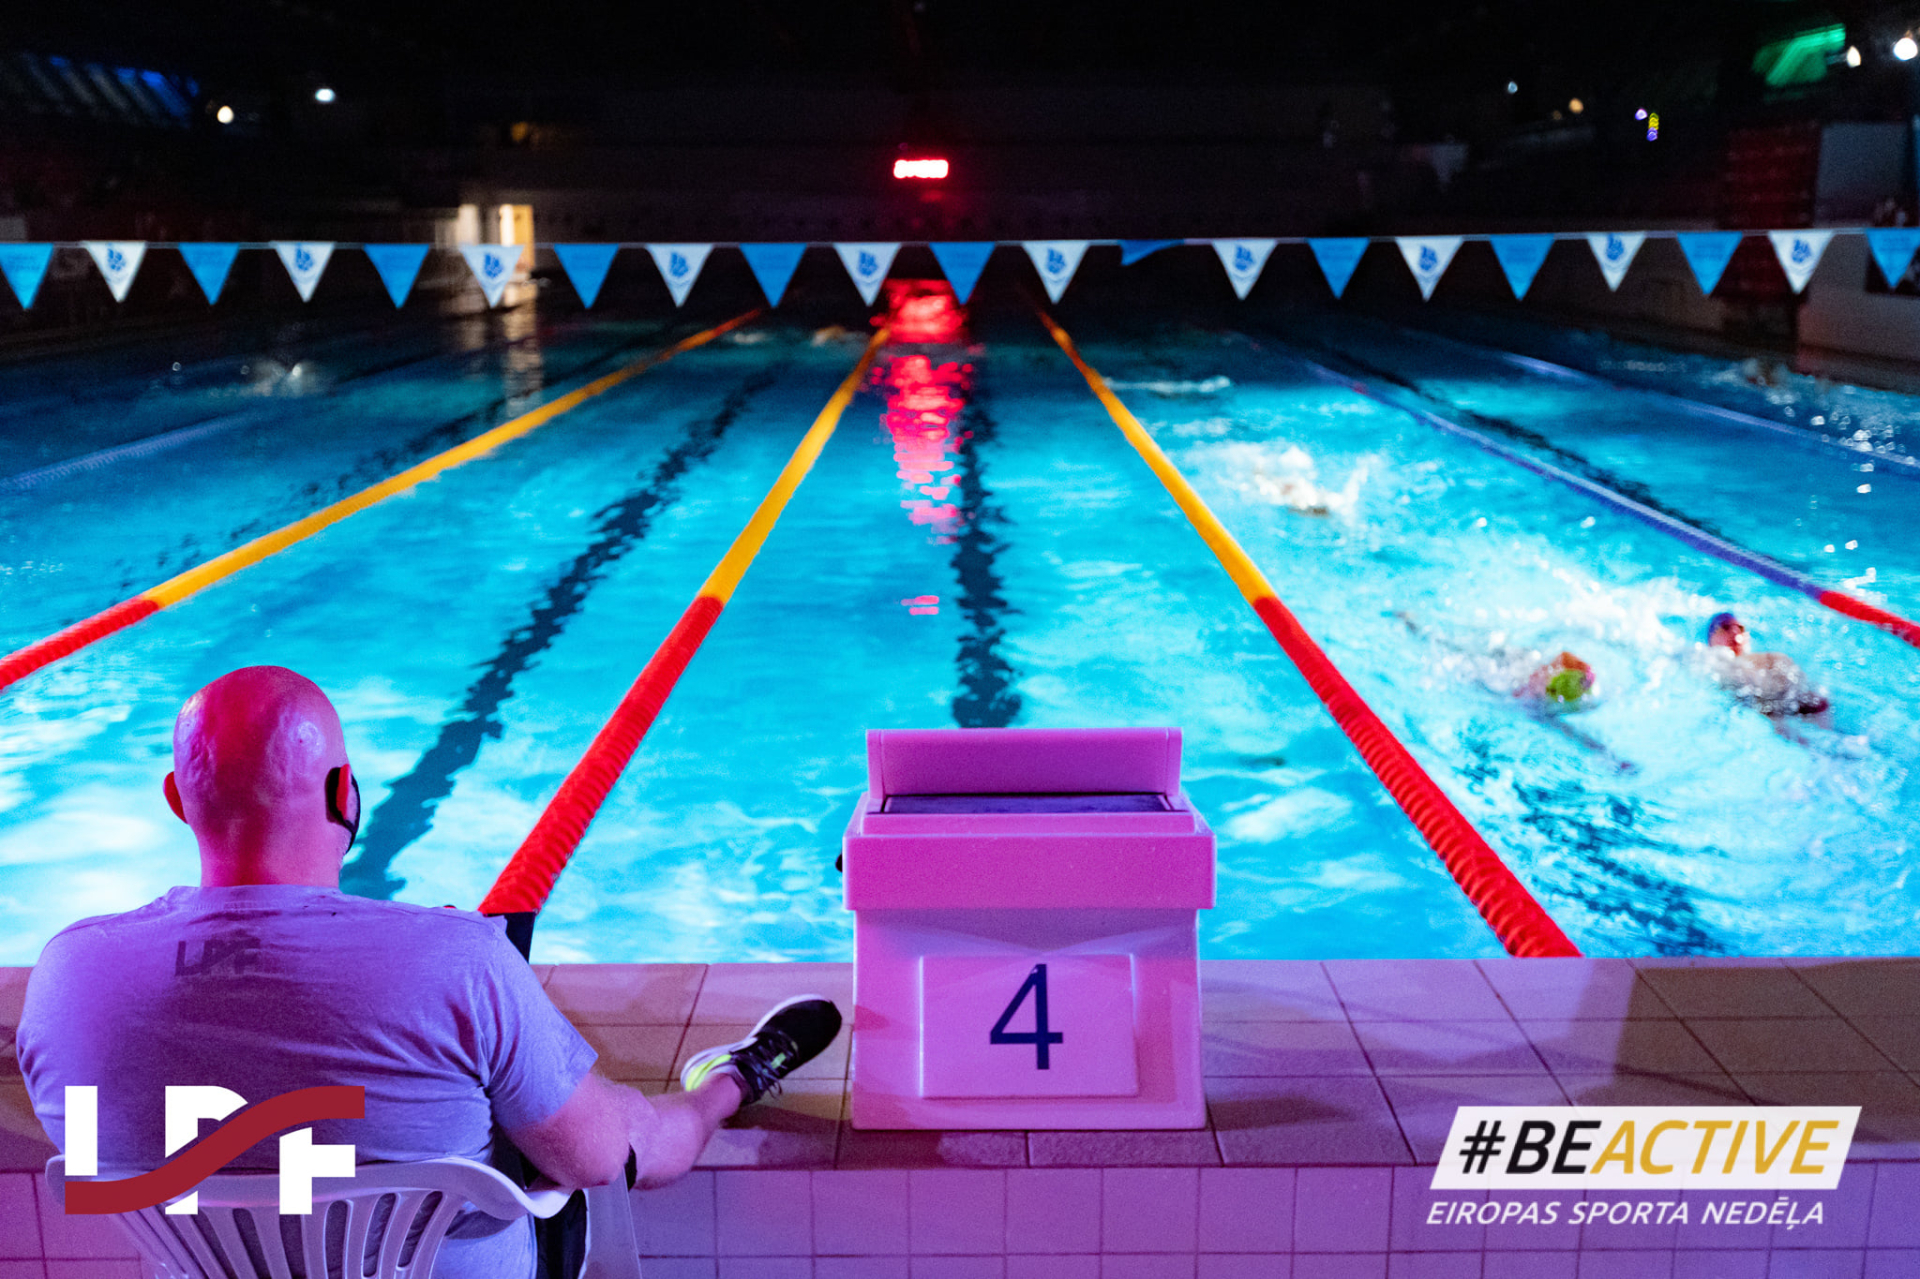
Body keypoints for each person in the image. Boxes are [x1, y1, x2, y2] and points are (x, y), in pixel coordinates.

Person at [15, 666, 841, 1279]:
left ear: (177, 797)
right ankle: (725, 1083)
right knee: (618, 1127)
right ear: (345, 794)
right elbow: (593, 1163)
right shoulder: (454, 959)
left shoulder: (67, 981)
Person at [1703, 612, 1832, 727]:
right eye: (1726, 627)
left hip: (1772, 708)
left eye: (1740, 628)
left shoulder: (1769, 659)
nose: (1735, 632)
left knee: (1818, 703)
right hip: (1748, 712)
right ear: (1711, 637)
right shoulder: (1705, 661)